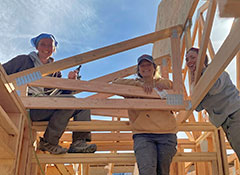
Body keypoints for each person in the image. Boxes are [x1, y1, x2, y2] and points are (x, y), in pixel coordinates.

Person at [3, 33, 97, 154]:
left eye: (50, 45)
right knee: (70, 102)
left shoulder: (55, 71)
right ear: (37, 47)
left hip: (45, 108)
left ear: (53, 49)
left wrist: (70, 82)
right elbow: (3, 72)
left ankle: (79, 142)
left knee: (82, 104)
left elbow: (60, 95)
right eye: (43, 44)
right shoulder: (23, 61)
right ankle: (49, 142)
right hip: (27, 108)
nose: (46, 48)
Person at [113, 54, 177, 175]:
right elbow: (115, 83)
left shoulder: (162, 84)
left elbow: (176, 87)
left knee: (163, 172)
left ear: (154, 68)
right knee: (147, 171)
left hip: (167, 134)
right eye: (142, 65)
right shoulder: (133, 87)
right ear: (138, 70)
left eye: (148, 64)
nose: (145, 67)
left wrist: (161, 84)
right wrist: (141, 85)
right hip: (143, 135)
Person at [186, 47, 240, 161]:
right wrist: (192, 82)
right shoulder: (198, 83)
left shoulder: (216, 70)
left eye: (192, 57)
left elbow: (215, 88)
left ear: (202, 59)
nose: (189, 61)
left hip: (236, 113)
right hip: (226, 122)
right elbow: (197, 106)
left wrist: (203, 72)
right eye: (186, 59)